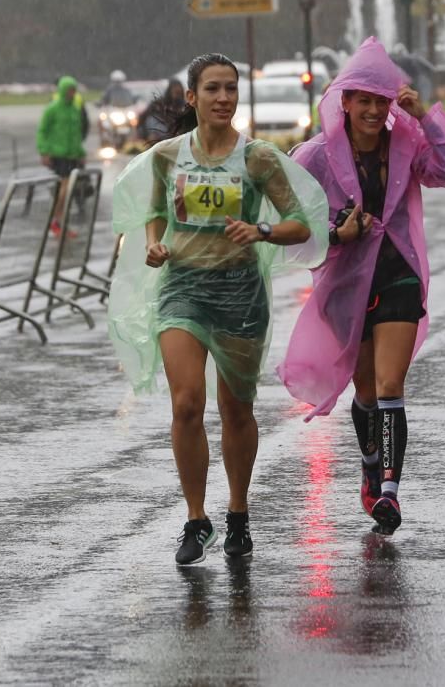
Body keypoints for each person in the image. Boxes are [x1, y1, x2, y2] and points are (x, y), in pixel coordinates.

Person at [108, 53, 327, 566]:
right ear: (192, 98)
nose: (224, 98)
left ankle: (238, 513)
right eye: (213, 89)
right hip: (182, 289)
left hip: (240, 294)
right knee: (186, 403)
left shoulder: (258, 160)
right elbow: (156, 214)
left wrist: (262, 229)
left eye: (231, 89)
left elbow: (300, 223)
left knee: (236, 410)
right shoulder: (166, 157)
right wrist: (155, 245)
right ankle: (195, 518)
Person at [277, 37, 445, 536]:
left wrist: (427, 116)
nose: (371, 110)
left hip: (399, 277)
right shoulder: (315, 156)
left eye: (380, 101)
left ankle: (388, 492)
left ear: (391, 104)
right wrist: (335, 232)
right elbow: (288, 226)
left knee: (390, 387)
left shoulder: (407, 146)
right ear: (343, 101)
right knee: (364, 390)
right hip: (345, 286)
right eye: (361, 99)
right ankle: (370, 468)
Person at [37, 75, 85, 236]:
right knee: (65, 188)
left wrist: (80, 152)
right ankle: (57, 221)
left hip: (72, 156)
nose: (72, 93)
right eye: (70, 90)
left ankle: (60, 221)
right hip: (58, 155)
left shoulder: (75, 110)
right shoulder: (53, 109)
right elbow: (42, 131)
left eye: (74, 90)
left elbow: (77, 134)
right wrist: (44, 151)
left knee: (68, 191)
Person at [140, 78, 187, 146]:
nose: (176, 95)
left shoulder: (184, 106)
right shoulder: (159, 104)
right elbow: (145, 117)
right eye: (175, 92)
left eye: (178, 93)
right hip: (159, 134)